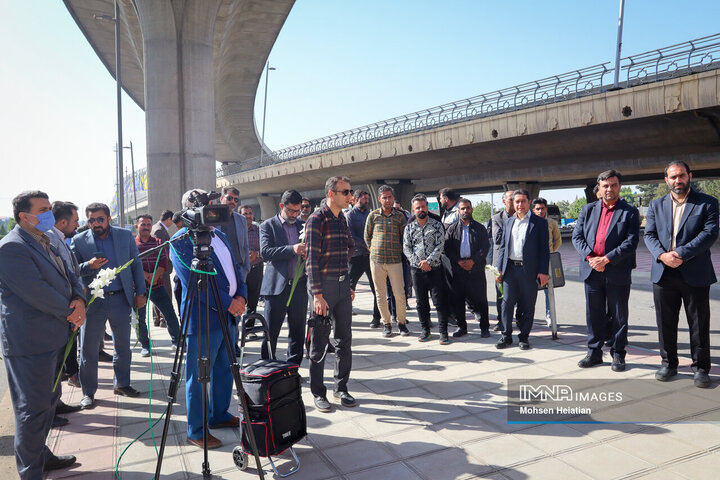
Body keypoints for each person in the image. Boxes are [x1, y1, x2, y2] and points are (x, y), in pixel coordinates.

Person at [0, 191, 86, 478]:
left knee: (48, 405)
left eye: (50, 207)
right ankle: (30, 472)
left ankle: (41, 456)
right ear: (24, 216)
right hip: (30, 342)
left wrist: (79, 299)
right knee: (32, 411)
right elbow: (36, 291)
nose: (49, 213)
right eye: (43, 209)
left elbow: (69, 275)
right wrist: (70, 311)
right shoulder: (11, 248)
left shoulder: (46, 239)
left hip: (54, 336)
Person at [170, 188, 248, 449]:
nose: (212, 211)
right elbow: (197, 280)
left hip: (228, 316)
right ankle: (197, 430)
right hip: (203, 320)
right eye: (205, 206)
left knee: (225, 369)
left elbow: (235, 269)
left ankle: (218, 414)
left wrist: (243, 297)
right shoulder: (179, 241)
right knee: (199, 376)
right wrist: (231, 304)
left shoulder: (221, 235)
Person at [644, 161, 718, 388]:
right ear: (666, 180)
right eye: (673, 177)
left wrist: (680, 254)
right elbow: (649, 234)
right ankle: (668, 363)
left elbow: (710, 232)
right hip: (664, 273)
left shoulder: (707, 203)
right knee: (665, 322)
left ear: (690, 176)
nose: (678, 180)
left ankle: (701, 368)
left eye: (682, 176)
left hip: (695, 272)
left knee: (698, 322)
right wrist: (662, 256)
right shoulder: (656, 205)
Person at [71, 203, 147, 408]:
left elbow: (136, 264)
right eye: (91, 220)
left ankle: (122, 384)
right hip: (94, 302)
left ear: (108, 218)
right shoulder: (79, 240)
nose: (95, 224)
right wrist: (89, 265)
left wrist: (140, 292)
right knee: (88, 349)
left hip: (121, 299)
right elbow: (71, 269)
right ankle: (88, 392)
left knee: (123, 346)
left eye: (100, 219)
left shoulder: (124, 236)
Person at [572, 170, 639, 372]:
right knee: (594, 314)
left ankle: (618, 354)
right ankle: (594, 353)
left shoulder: (629, 211)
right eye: (605, 185)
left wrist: (607, 259)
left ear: (619, 187)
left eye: (614, 185)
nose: (610, 189)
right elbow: (577, 237)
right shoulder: (587, 210)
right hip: (592, 270)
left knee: (619, 315)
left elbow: (631, 241)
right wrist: (591, 258)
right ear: (599, 188)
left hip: (617, 270)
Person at [305, 176, 356, 412]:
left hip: (342, 287)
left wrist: (347, 281)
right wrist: (317, 294)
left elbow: (350, 247)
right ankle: (318, 392)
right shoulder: (316, 219)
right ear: (331, 194)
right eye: (345, 192)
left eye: (349, 191)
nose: (349, 195)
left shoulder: (342, 218)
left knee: (344, 341)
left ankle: (341, 387)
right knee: (320, 344)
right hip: (323, 290)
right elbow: (311, 260)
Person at [495, 190, 549, 350]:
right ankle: (506, 336)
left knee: (527, 305)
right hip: (510, 269)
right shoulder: (509, 222)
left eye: (523, 201)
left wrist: (543, 271)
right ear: (512, 203)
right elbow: (503, 247)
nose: (519, 205)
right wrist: (499, 269)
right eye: (516, 201)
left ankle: (524, 336)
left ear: (529, 202)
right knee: (506, 304)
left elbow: (544, 249)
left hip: (529, 270)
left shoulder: (539, 223)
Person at [259, 190, 308, 365]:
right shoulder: (268, 225)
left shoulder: (303, 225)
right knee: (271, 332)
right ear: (282, 206)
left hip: (299, 287)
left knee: (297, 331)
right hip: (276, 288)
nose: (294, 215)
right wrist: (291, 249)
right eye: (291, 211)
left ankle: (292, 369)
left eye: (298, 211)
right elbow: (265, 253)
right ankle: (268, 368)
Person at [404, 194, 450, 344]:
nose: (421, 209)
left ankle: (443, 332)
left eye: (423, 207)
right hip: (416, 270)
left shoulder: (436, 224)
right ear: (413, 209)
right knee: (421, 302)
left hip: (434, 268)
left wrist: (429, 261)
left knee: (439, 301)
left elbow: (440, 244)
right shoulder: (409, 227)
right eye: (417, 207)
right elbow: (406, 248)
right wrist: (419, 263)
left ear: (427, 207)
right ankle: (425, 330)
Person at [364, 185, 409, 337]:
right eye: (384, 197)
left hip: (395, 261)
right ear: (379, 199)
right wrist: (374, 250)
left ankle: (402, 323)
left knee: (399, 294)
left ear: (393, 198)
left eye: (390, 197)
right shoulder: (373, 215)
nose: (387, 200)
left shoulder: (400, 216)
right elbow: (367, 236)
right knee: (380, 294)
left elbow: (405, 238)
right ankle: (387, 324)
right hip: (376, 261)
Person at [48, 201, 82, 389]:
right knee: (56, 360)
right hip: (62, 308)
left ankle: (56, 403)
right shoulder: (50, 239)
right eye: (75, 220)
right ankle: (52, 411)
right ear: (62, 222)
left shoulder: (58, 237)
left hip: (70, 304)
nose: (77, 224)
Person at [134, 214, 180, 356]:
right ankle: (145, 346)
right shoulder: (131, 245)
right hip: (139, 289)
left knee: (169, 314)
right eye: (143, 224)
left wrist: (154, 276)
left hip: (157, 285)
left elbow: (164, 261)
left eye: (149, 225)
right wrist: (147, 276)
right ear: (137, 226)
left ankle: (177, 341)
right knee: (140, 319)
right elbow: (132, 264)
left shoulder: (158, 242)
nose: (146, 227)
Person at [444, 198, 491, 338]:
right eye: (462, 208)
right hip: (458, 270)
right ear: (459, 211)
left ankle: (484, 327)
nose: (465, 211)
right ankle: (461, 327)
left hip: (476, 269)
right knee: (458, 300)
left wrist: (473, 261)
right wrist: (458, 261)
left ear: (472, 209)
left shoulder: (480, 228)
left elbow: (485, 247)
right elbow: (447, 248)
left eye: (468, 208)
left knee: (481, 299)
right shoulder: (452, 229)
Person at [345, 190, 382, 327]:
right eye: (364, 199)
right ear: (356, 199)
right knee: (348, 288)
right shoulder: (349, 215)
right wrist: (367, 245)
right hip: (355, 256)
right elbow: (351, 235)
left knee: (376, 287)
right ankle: (344, 317)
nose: (366, 201)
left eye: (367, 199)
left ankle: (377, 318)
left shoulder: (369, 214)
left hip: (371, 256)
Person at [531, 197, 562, 325]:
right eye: (537, 209)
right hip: (531, 261)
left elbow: (558, 241)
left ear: (546, 209)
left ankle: (550, 315)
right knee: (529, 290)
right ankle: (527, 316)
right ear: (533, 210)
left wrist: (550, 254)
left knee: (548, 289)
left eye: (542, 208)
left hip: (547, 261)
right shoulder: (528, 223)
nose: (540, 211)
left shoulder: (551, 223)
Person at [238, 205, 263, 346]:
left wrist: (256, 254)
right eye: (245, 213)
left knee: (253, 299)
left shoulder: (258, 229)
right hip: (240, 270)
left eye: (250, 213)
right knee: (239, 297)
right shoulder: (236, 230)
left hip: (256, 268)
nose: (248, 216)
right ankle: (235, 329)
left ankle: (250, 328)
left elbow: (265, 247)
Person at [490, 191, 515, 331]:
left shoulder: (523, 218)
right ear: (504, 201)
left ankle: (517, 319)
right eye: (511, 199)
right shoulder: (497, 218)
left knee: (519, 294)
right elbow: (498, 239)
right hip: (499, 263)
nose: (513, 202)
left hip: (517, 261)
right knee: (501, 294)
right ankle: (501, 321)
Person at [218, 186, 250, 282]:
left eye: (236, 200)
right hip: (219, 269)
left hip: (239, 270)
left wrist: (247, 268)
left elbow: (245, 245)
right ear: (221, 198)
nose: (233, 202)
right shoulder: (212, 219)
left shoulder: (241, 219)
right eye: (229, 198)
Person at [150, 209, 175, 327]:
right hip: (161, 268)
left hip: (161, 268)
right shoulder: (159, 230)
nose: (172, 223)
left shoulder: (157, 227)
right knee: (165, 293)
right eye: (172, 221)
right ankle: (162, 319)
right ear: (168, 219)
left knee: (158, 293)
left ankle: (157, 318)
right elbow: (160, 250)